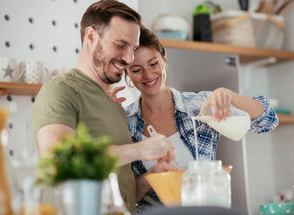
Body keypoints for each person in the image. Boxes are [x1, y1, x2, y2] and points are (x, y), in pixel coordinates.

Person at [109, 27, 279, 211]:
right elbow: (121, 195)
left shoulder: (201, 104)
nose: (148, 75)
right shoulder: (124, 121)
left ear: (164, 60)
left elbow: (268, 120)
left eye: (153, 64)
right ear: (127, 74)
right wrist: (151, 177)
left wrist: (228, 95)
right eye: (136, 69)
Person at [32, 0, 177, 214]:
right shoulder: (61, 90)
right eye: (120, 45)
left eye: (133, 48)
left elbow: (121, 194)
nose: (129, 58)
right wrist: (140, 150)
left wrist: (149, 178)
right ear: (91, 37)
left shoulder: (115, 106)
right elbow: (59, 162)